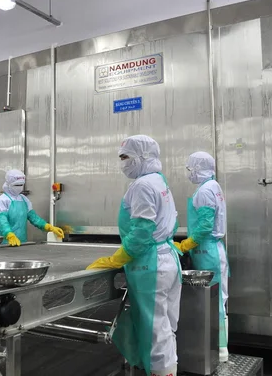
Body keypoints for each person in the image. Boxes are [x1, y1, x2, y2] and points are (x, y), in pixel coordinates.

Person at [87, 135, 185, 376]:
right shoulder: (159, 181)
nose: (122, 163)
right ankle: (161, 369)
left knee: (154, 329)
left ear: (142, 157)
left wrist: (118, 258)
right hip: (167, 259)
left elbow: (142, 231)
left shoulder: (142, 186)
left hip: (150, 266)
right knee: (164, 326)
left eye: (125, 157)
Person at [182, 151, 230, 362]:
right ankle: (219, 349)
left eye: (190, 169)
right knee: (219, 298)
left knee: (214, 299)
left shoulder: (205, 191)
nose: (189, 173)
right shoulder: (213, 186)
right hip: (212, 250)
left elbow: (204, 226)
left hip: (207, 250)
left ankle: (219, 349)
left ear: (198, 168)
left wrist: (186, 244)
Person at [0, 169, 64, 245]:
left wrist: (49, 227)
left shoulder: (24, 199)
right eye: (16, 185)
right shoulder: (2, 200)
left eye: (21, 185)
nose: (19, 187)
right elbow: (2, 222)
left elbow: (34, 218)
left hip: (22, 242)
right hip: (5, 243)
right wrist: (9, 235)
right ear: (8, 184)